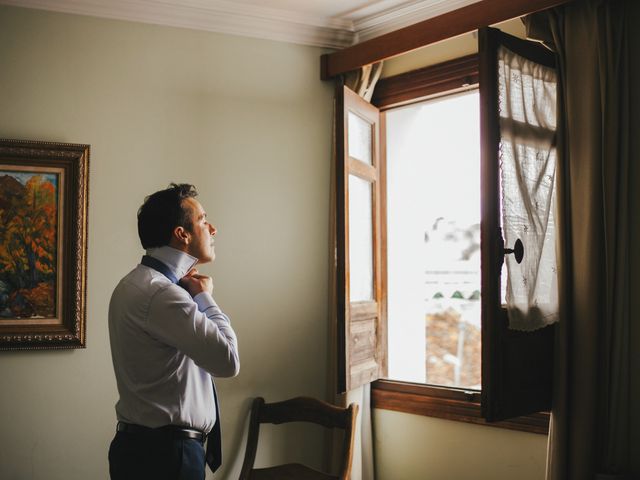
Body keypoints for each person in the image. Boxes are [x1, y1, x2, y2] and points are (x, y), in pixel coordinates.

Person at [108, 183, 239, 480]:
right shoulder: (163, 295)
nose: (213, 229)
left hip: (144, 450)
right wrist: (205, 296)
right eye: (203, 220)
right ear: (182, 234)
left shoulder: (134, 284)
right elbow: (228, 360)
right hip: (167, 458)